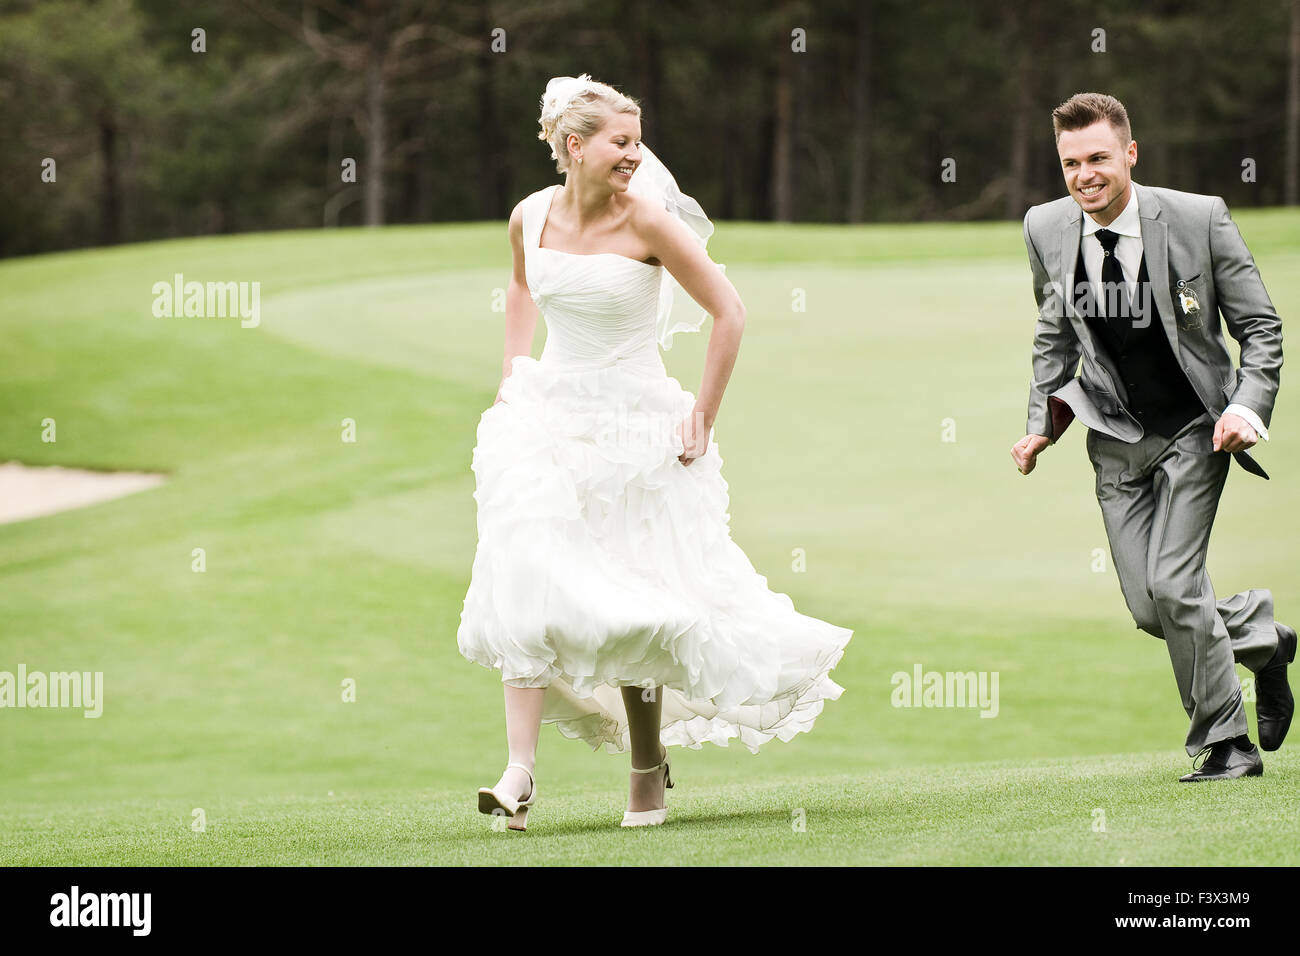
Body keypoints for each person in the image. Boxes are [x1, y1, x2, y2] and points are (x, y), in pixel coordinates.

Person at [457, 74, 853, 829]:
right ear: (575, 146)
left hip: (637, 423)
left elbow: (730, 312)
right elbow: (519, 292)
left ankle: (646, 770)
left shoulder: (649, 224)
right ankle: (519, 771)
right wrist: (512, 377)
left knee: (635, 598)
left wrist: (701, 415)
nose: (636, 155)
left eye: (637, 141)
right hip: (548, 419)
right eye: (621, 142)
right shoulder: (529, 216)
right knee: (524, 574)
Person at [1011, 91, 1294, 782]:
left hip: (1197, 429)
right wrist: (1040, 426)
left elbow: (1261, 329)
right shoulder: (1044, 228)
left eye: (1099, 158)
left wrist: (1246, 409)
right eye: (1071, 162)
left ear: (1129, 154)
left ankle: (1227, 743)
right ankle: (1261, 633)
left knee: (1174, 584)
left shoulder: (1200, 219)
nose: (1085, 175)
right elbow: (1054, 336)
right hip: (1113, 438)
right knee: (1149, 607)